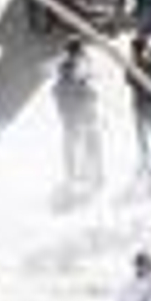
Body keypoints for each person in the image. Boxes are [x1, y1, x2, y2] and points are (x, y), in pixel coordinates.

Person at [53, 37, 103, 195]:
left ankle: (81, 173)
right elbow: (77, 87)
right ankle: (88, 173)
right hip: (78, 111)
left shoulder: (71, 65)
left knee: (75, 142)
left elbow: (59, 90)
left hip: (74, 111)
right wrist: (89, 95)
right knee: (86, 141)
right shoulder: (72, 66)